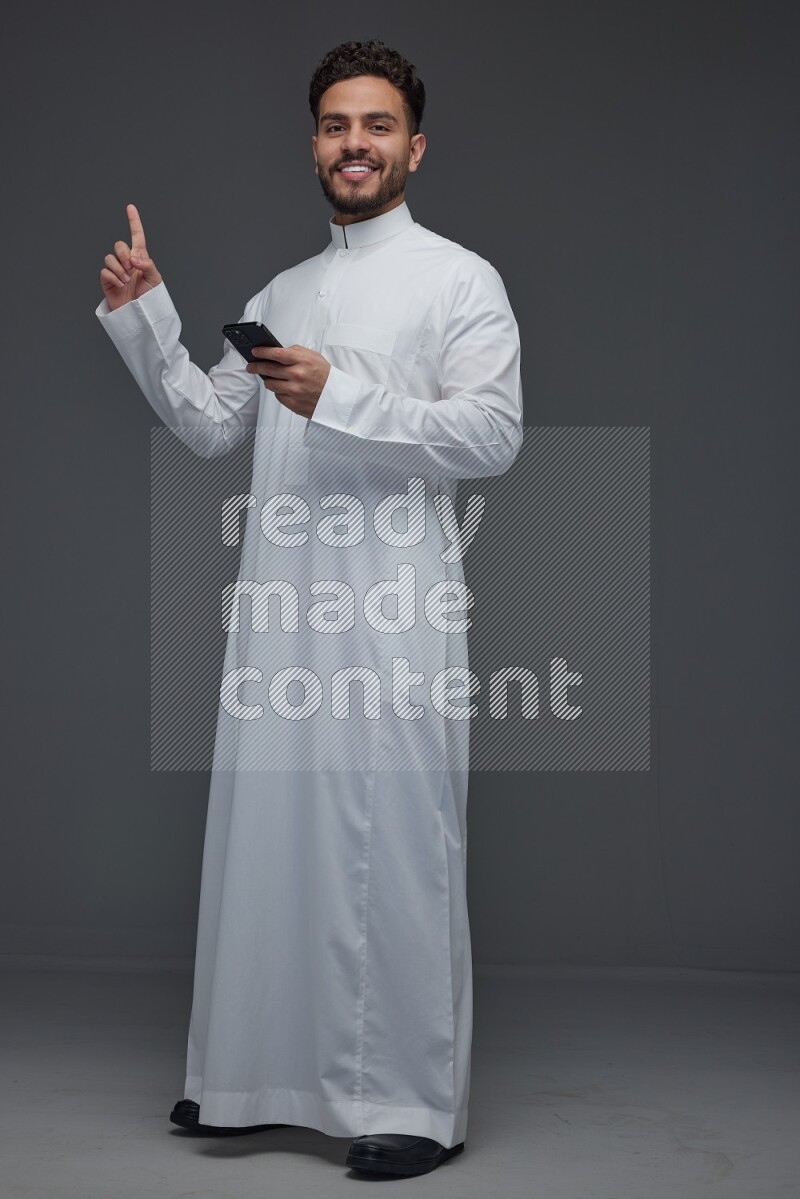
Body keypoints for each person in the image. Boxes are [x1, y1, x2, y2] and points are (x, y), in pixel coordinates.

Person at [96, 39, 523, 1178]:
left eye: (376, 125)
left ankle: (414, 1105)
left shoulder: (457, 278)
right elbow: (207, 422)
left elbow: (491, 434)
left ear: (413, 146)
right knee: (267, 840)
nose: (354, 144)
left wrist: (344, 395)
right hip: (281, 606)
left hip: (390, 608)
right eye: (336, 125)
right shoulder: (280, 291)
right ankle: (247, 1079)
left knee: (396, 845)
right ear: (315, 141)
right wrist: (148, 319)